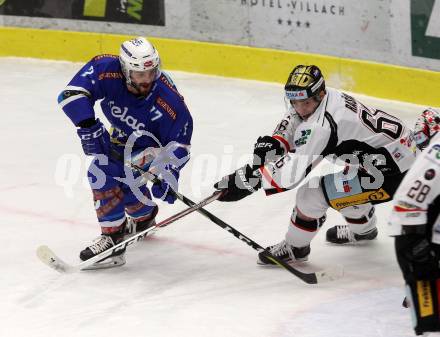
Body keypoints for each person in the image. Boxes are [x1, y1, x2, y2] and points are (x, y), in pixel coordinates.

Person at [214, 64, 416, 265]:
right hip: (385, 157)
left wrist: (247, 180)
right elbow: (295, 117)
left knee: (311, 195)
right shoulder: (326, 98)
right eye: (294, 101)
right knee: (345, 190)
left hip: (392, 174)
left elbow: (290, 174)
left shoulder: (322, 126)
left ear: (319, 95)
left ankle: (296, 248)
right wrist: (278, 141)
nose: (299, 108)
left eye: (305, 102)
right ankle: (364, 230)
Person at [58, 37, 193, 268]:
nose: (147, 80)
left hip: (153, 148)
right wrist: (88, 125)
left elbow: (180, 145)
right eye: (140, 74)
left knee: (102, 171)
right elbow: (71, 94)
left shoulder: (168, 100)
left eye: (151, 73)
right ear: (125, 71)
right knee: (121, 178)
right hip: (122, 137)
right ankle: (143, 217)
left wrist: (167, 171)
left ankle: (113, 241)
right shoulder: (105, 69)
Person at [389, 108, 440, 336]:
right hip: (415, 234)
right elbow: (406, 202)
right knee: (430, 322)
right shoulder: (434, 159)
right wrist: (415, 243)